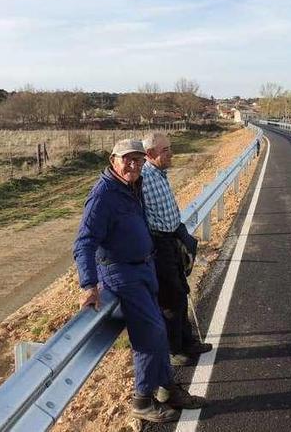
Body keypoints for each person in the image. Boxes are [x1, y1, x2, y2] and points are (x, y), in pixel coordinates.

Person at [73, 139, 206, 422]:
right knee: (151, 334)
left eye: (138, 160)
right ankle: (142, 400)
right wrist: (89, 284)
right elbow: (84, 242)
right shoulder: (103, 195)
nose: (133, 165)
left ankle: (168, 388)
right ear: (113, 160)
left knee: (158, 330)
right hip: (121, 273)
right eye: (127, 160)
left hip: (145, 267)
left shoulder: (133, 187)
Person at [141, 132, 212, 366]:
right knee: (170, 300)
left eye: (169, 148)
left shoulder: (160, 174)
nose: (171, 153)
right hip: (159, 245)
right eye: (166, 150)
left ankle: (187, 341)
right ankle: (173, 350)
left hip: (172, 241)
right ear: (150, 154)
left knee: (182, 292)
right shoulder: (143, 177)